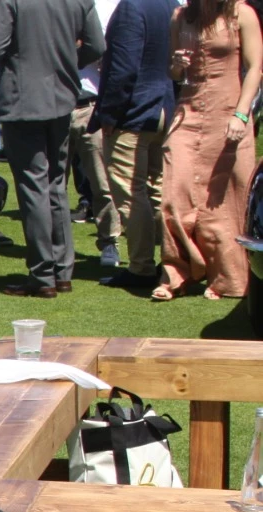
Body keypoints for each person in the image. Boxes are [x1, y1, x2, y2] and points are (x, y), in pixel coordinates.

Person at [0, 0, 106, 298]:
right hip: (62, 97)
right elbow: (97, 45)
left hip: (23, 101)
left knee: (34, 186)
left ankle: (42, 274)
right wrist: (65, 60)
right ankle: (62, 272)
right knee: (55, 185)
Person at [155, 0, 262, 300]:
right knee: (174, 193)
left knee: (227, 200)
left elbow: (255, 69)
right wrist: (178, 64)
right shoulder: (181, 16)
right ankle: (177, 273)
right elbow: (174, 73)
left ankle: (227, 278)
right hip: (188, 114)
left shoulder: (243, 14)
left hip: (228, 112)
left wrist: (242, 114)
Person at [93, 0, 180, 288]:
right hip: (164, 106)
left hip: (134, 111)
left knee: (131, 192)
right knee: (155, 189)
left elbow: (123, 67)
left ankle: (141, 267)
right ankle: (169, 262)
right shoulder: (170, 4)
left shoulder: (132, 7)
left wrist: (109, 114)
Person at [72, 0, 125, 269]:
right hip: (52, 103)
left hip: (90, 104)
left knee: (102, 182)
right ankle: (56, 248)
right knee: (49, 185)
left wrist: (76, 51)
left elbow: (104, 48)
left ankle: (109, 241)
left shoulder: (109, 6)